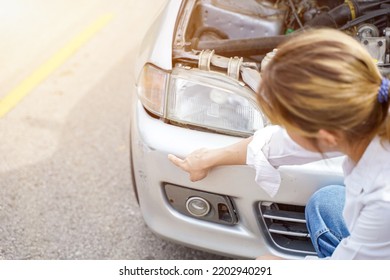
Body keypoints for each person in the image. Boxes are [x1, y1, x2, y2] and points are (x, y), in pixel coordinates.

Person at [168, 28, 390, 259]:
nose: (284, 131)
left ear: (328, 137)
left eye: (288, 125)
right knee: (325, 204)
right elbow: (280, 143)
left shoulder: (383, 199)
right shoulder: (366, 111)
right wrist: (211, 157)